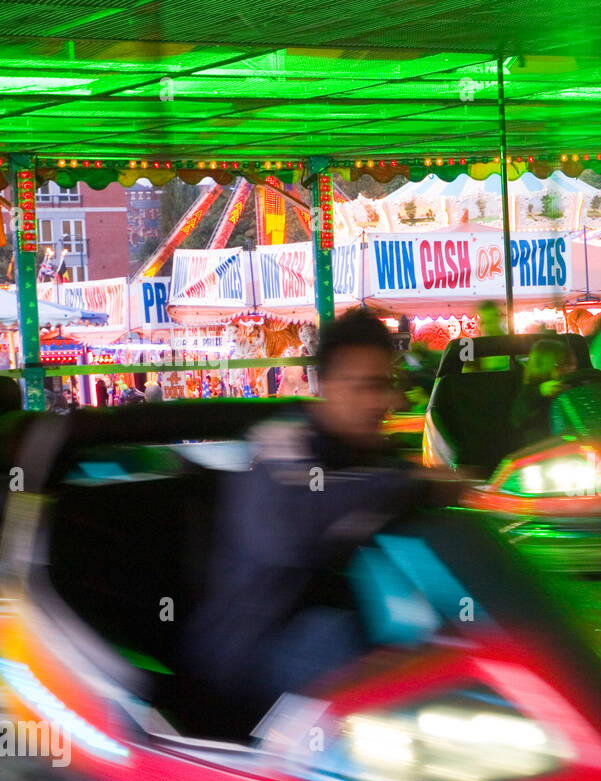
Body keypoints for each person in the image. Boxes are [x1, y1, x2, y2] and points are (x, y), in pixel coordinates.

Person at [180, 309, 451, 727]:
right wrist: (412, 485)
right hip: (251, 654)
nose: (383, 402)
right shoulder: (280, 445)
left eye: (385, 385)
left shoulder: (377, 459)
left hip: (347, 630)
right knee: (344, 649)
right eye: (366, 387)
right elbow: (293, 526)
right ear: (328, 385)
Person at [510, 338, 571, 445]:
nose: (568, 369)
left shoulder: (572, 384)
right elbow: (517, 419)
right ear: (544, 366)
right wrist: (539, 392)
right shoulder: (530, 393)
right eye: (560, 365)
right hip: (542, 445)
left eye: (569, 364)